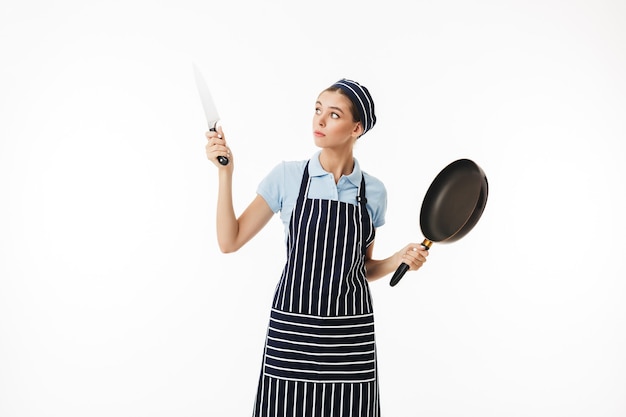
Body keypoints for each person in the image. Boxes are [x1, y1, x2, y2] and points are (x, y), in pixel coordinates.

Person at [205, 78, 428, 417]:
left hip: (349, 338)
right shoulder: (286, 177)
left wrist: (399, 259)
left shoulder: (374, 192)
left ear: (357, 128)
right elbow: (229, 240)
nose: (319, 121)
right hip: (293, 333)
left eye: (333, 115)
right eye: (317, 110)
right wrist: (225, 174)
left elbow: (362, 269)